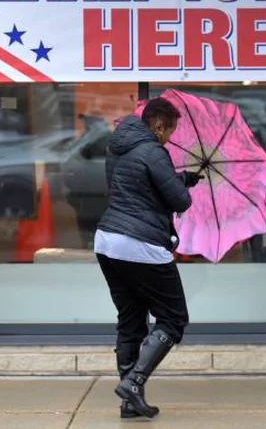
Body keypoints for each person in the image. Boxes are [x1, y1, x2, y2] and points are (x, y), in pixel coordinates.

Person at [94, 98, 203, 418]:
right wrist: (182, 187)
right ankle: (134, 382)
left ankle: (130, 402)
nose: (170, 136)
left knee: (131, 320)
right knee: (173, 319)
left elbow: (134, 188)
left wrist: (181, 177)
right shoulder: (155, 151)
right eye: (170, 130)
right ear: (158, 125)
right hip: (140, 245)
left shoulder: (119, 147)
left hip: (107, 241)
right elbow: (180, 202)